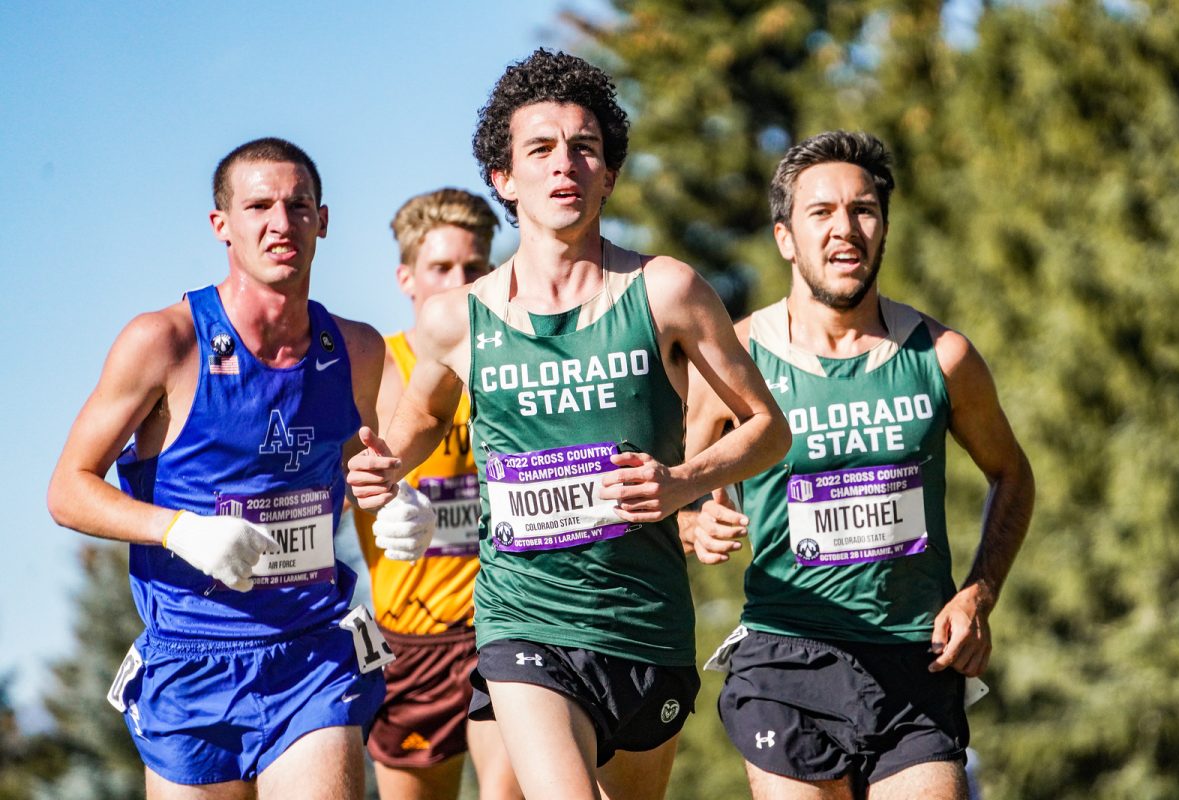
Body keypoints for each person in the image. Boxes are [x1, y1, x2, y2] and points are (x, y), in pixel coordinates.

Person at [346, 49, 790, 800]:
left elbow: (767, 430)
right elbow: (417, 419)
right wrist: (388, 468)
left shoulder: (667, 291)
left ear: (608, 173)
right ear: (505, 179)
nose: (566, 166)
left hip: (645, 623)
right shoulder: (462, 318)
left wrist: (683, 482)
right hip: (523, 619)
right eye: (541, 149)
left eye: (585, 148)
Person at [47, 137, 413, 799]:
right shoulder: (165, 341)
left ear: (323, 220)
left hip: (311, 654)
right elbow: (68, 489)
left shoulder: (357, 349)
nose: (282, 223)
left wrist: (393, 496)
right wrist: (180, 530)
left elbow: (360, 464)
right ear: (223, 225)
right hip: (191, 662)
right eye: (259, 206)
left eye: (299, 205)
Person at [683, 130, 1035, 800]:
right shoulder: (734, 361)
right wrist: (694, 522)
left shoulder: (943, 356)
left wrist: (978, 592)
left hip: (915, 662)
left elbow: (1012, 475)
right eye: (821, 213)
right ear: (786, 237)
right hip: (784, 658)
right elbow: (675, 495)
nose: (845, 229)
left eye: (863, 210)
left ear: (883, 227)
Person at [352, 188, 521, 799]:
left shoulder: (514, 366)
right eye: (440, 268)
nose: (458, 281)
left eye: (474, 268)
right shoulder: (376, 371)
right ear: (407, 277)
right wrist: (391, 500)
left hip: (503, 622)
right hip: (410, 639)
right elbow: (335, 482)